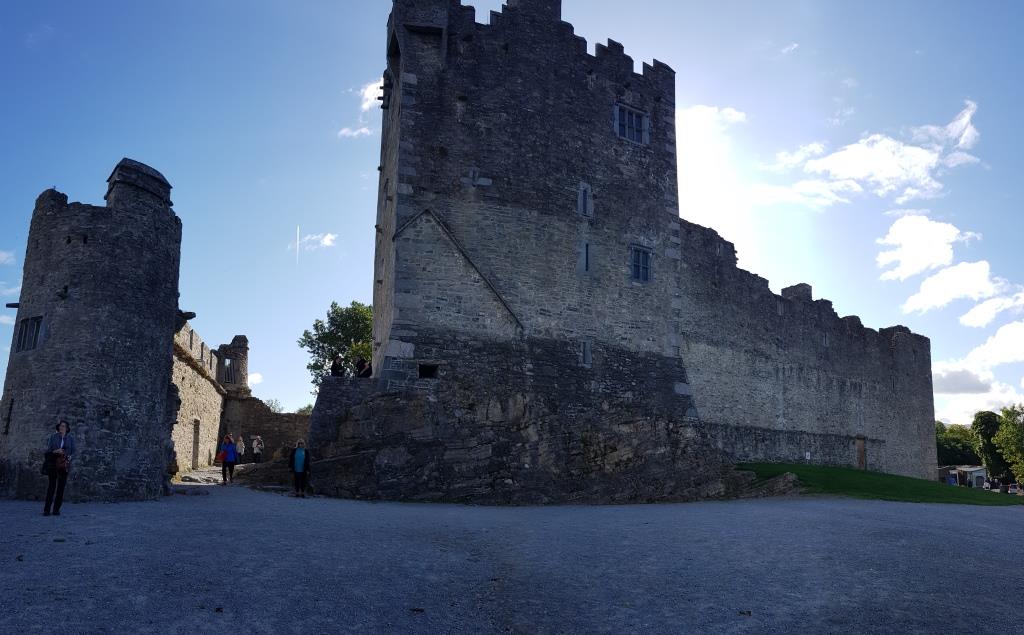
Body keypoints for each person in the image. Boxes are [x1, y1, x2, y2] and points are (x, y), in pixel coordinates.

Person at [42, 420, 75, 516]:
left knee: (61, 488)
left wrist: (69, 456)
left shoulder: (70, 439)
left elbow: (73, 451)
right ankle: (46, 510)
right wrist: (56, 451)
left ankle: (56, 510)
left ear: (67, 428)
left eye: (63, 426)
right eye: (60, 426)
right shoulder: (53, 437)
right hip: (53, 463)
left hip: (64, 464)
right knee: (51, 487)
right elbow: (48, 450)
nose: (61, 427)